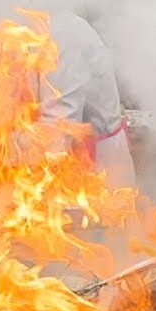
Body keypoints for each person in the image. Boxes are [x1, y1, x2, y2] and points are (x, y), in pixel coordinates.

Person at [39, 11, 137, 190]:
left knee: (104, 217)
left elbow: (61, 127)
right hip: (65, 160)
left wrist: (36, 190)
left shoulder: (62, 34)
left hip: (96, 169)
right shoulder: (29, 33)